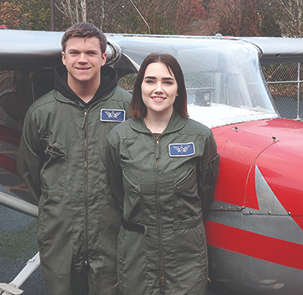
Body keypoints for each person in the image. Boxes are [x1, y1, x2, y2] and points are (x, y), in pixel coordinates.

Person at [17, 22, 131, 295]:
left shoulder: (129, 107)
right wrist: (59, 207)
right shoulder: (41, 112)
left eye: (91, 53)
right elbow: (31, 172)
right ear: (64, 57)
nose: (83, 59)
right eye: (75, 52)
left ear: (103, 58)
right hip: (61, 235)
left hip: (114, 235)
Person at [105, 53, 220, 294]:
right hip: (137, 254)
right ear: (139, 88)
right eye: (150, 81)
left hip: (186, 255)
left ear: (178, 89)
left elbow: (204, 193)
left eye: (167, 82)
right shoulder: (119, 137)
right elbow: (118, 192)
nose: (159, 89)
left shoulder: (200, 137)